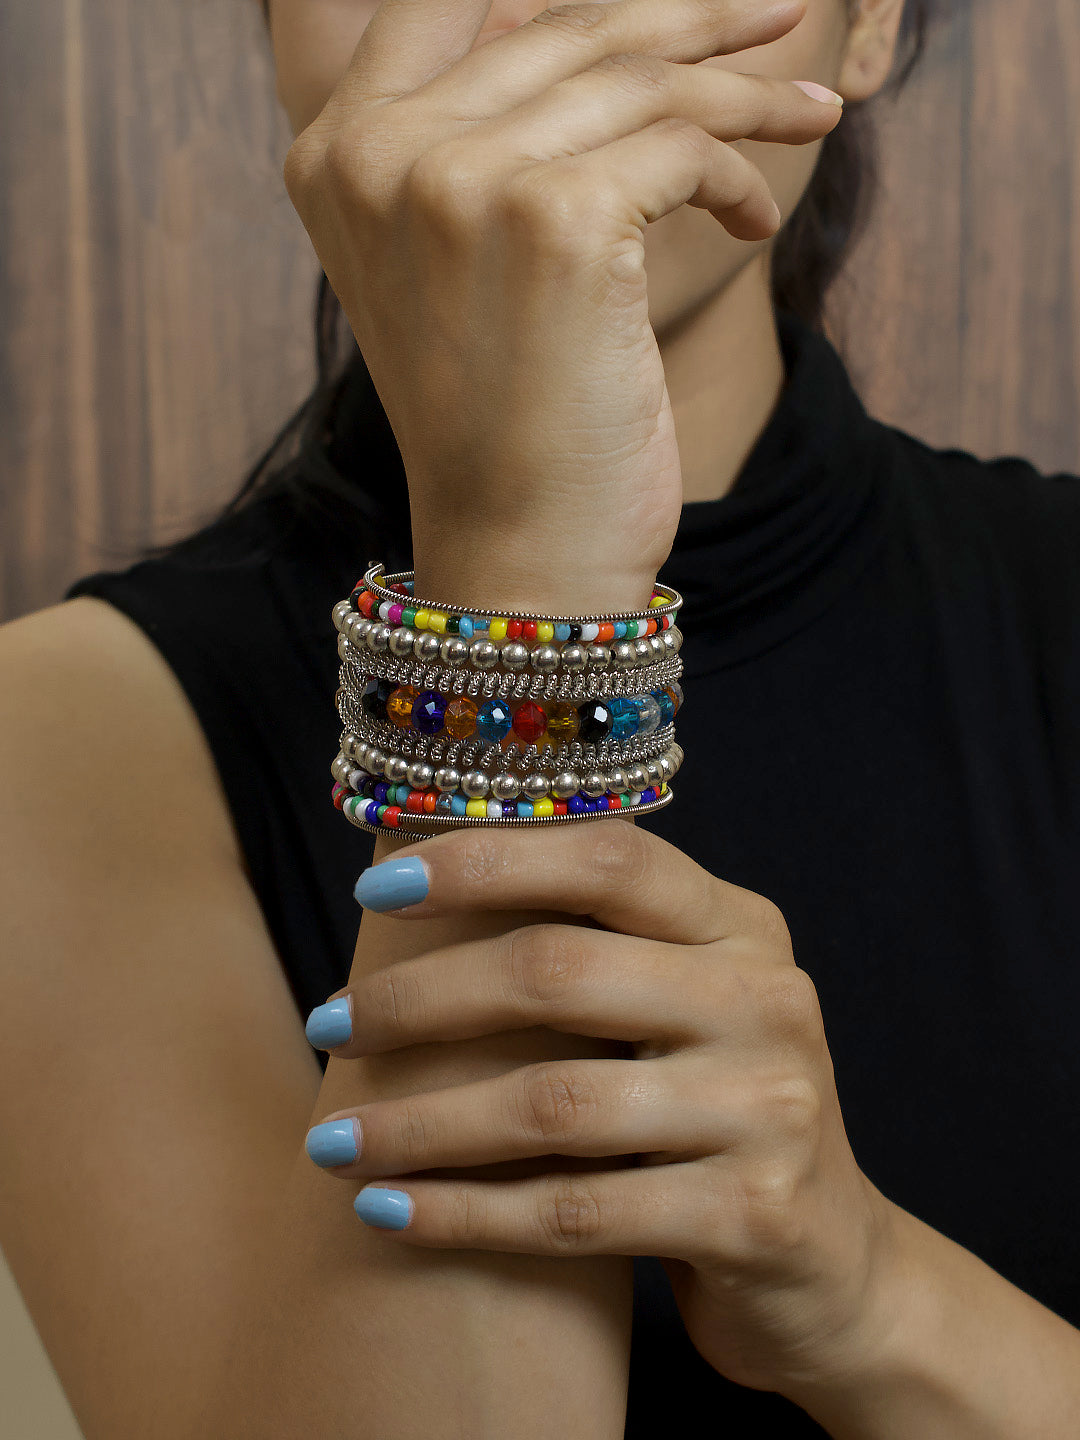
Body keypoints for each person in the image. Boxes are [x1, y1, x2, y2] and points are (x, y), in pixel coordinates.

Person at [1, 0, 1078, 1434]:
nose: (530, 16)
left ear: (869, 21)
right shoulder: (61, 746)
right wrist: (526, 559)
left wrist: (875, 1300)